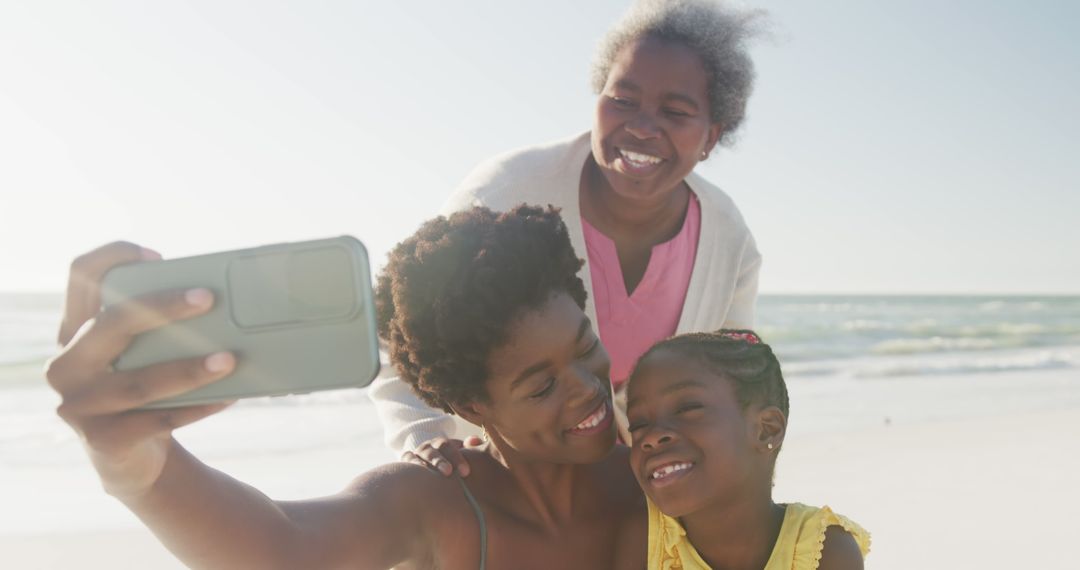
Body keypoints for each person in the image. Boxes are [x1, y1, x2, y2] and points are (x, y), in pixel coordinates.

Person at [46, 205, 645, 569]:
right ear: (470, 406)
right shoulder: (437, 504)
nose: (585, 389)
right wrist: (142, 470)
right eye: (539, 387)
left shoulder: (658, 474)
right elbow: (284, 550)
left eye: (585, 345)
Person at [370, 0, 767, 475]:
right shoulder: (506, 191)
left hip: (637, 489)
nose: (641, 126)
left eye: (675, 111)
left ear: (711, 136)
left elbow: (734, 379)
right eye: (622, 99)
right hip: (496, 477)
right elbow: (402, 325)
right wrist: (425, 436)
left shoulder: (727, 238)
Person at [618, 330, 871, 569]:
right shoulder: (644, 542)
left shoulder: (824, 552)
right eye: (638, 424)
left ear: (766, 430)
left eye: (687, 408)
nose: (651, 436)